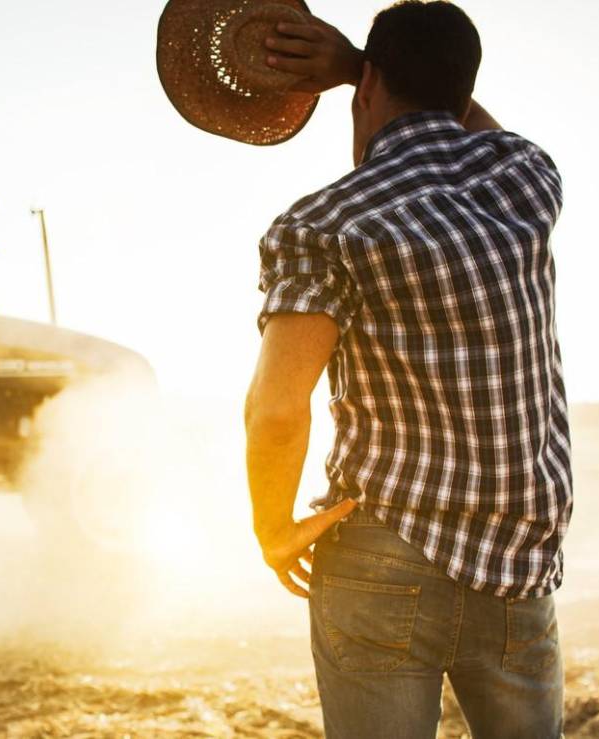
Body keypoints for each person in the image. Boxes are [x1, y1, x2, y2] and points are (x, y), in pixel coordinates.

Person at [243, 2, 571, 737]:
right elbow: (470, 124)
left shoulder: (321, 224)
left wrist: (273, 527)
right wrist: (363, 61)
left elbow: (276, 407)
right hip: (518, 559)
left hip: (378, 553)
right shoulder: (526, 182)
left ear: (366, 91)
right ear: (464, 89)